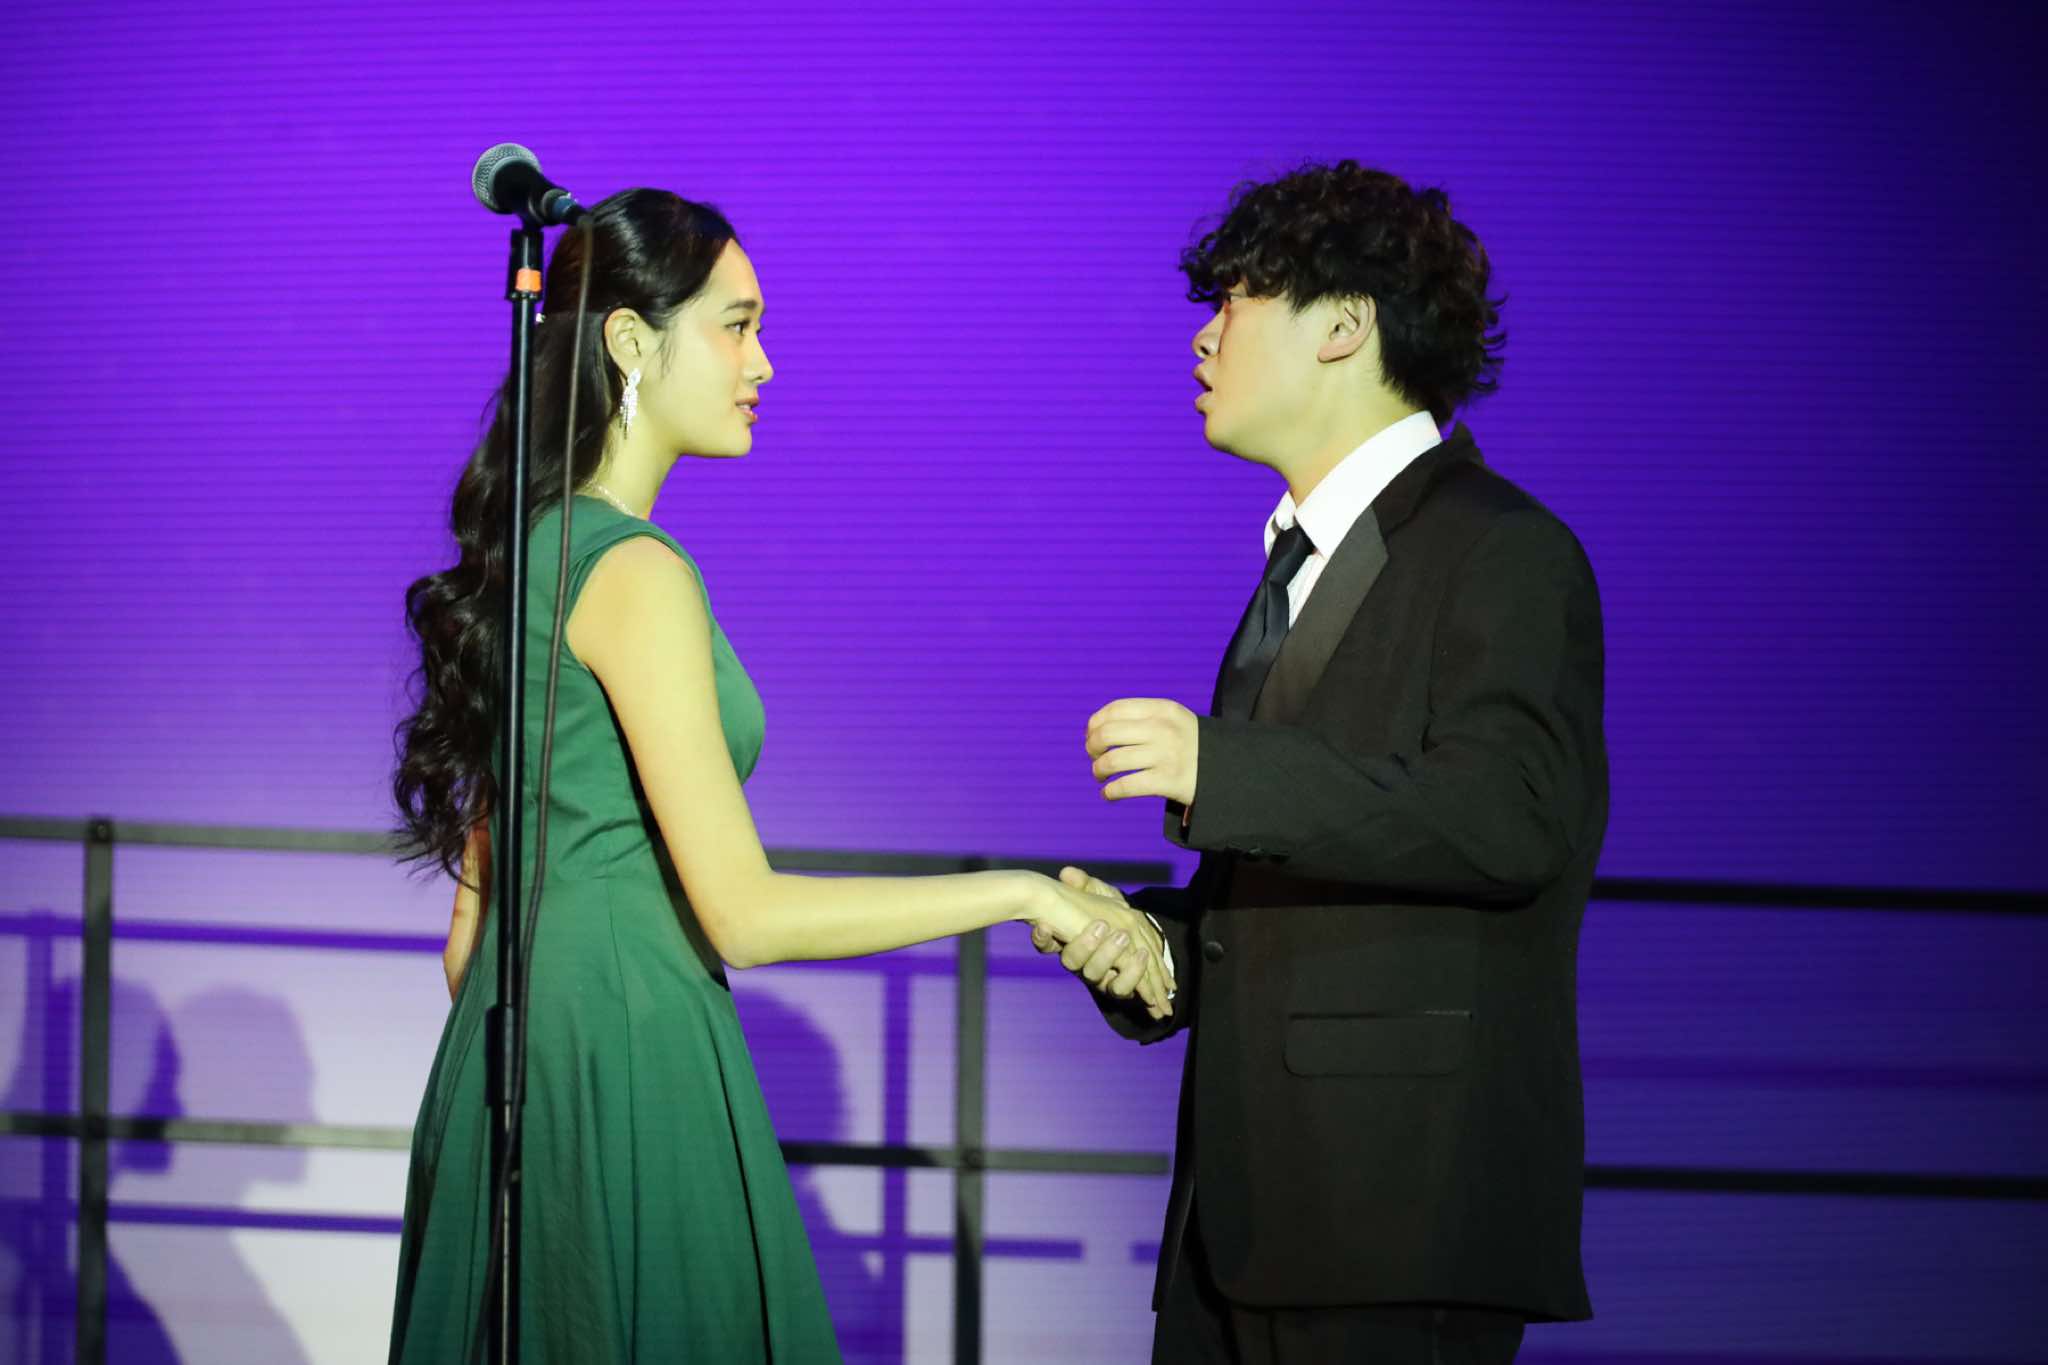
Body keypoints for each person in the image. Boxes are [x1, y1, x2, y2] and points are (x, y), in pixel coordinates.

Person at [385, 188, 1165, 1363]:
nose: (763, 364)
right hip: (634, 1055)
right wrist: (1023, 893)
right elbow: (743, 917)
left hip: (512, 1059)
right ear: (630, 341)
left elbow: (468, 942)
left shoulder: (529, 553)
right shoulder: (635, 571)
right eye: (737, 326)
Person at [1036, 162, 1608, 1364]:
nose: (1203, 338)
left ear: (1342, 325)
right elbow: (1303, 880)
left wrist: (1220, 769)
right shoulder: (1295, 563)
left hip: (1395, 1218)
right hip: (1238, 1223)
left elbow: (1510, 815)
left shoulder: (1501, 548)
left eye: (1233, 301)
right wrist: (1155, 953)